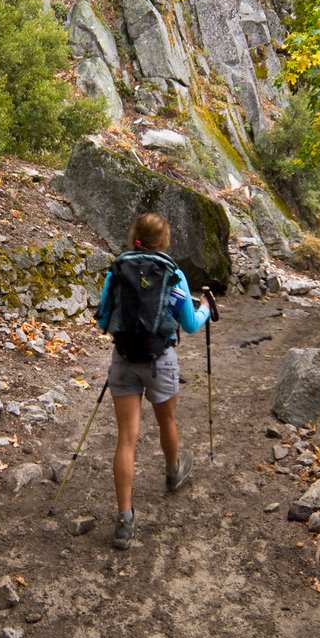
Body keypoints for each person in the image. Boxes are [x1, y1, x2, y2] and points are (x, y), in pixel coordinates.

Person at [96, 212, 211, 550]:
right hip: (160, 360)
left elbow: (103, 317)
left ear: (135, 236)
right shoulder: (173, 275)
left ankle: (124, 520)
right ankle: (174, 472)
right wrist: (205, 307)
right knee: (167, 421)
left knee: (126, 439)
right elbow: (189, 324)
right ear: (165, 240)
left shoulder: (116, 271)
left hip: (124, 360)